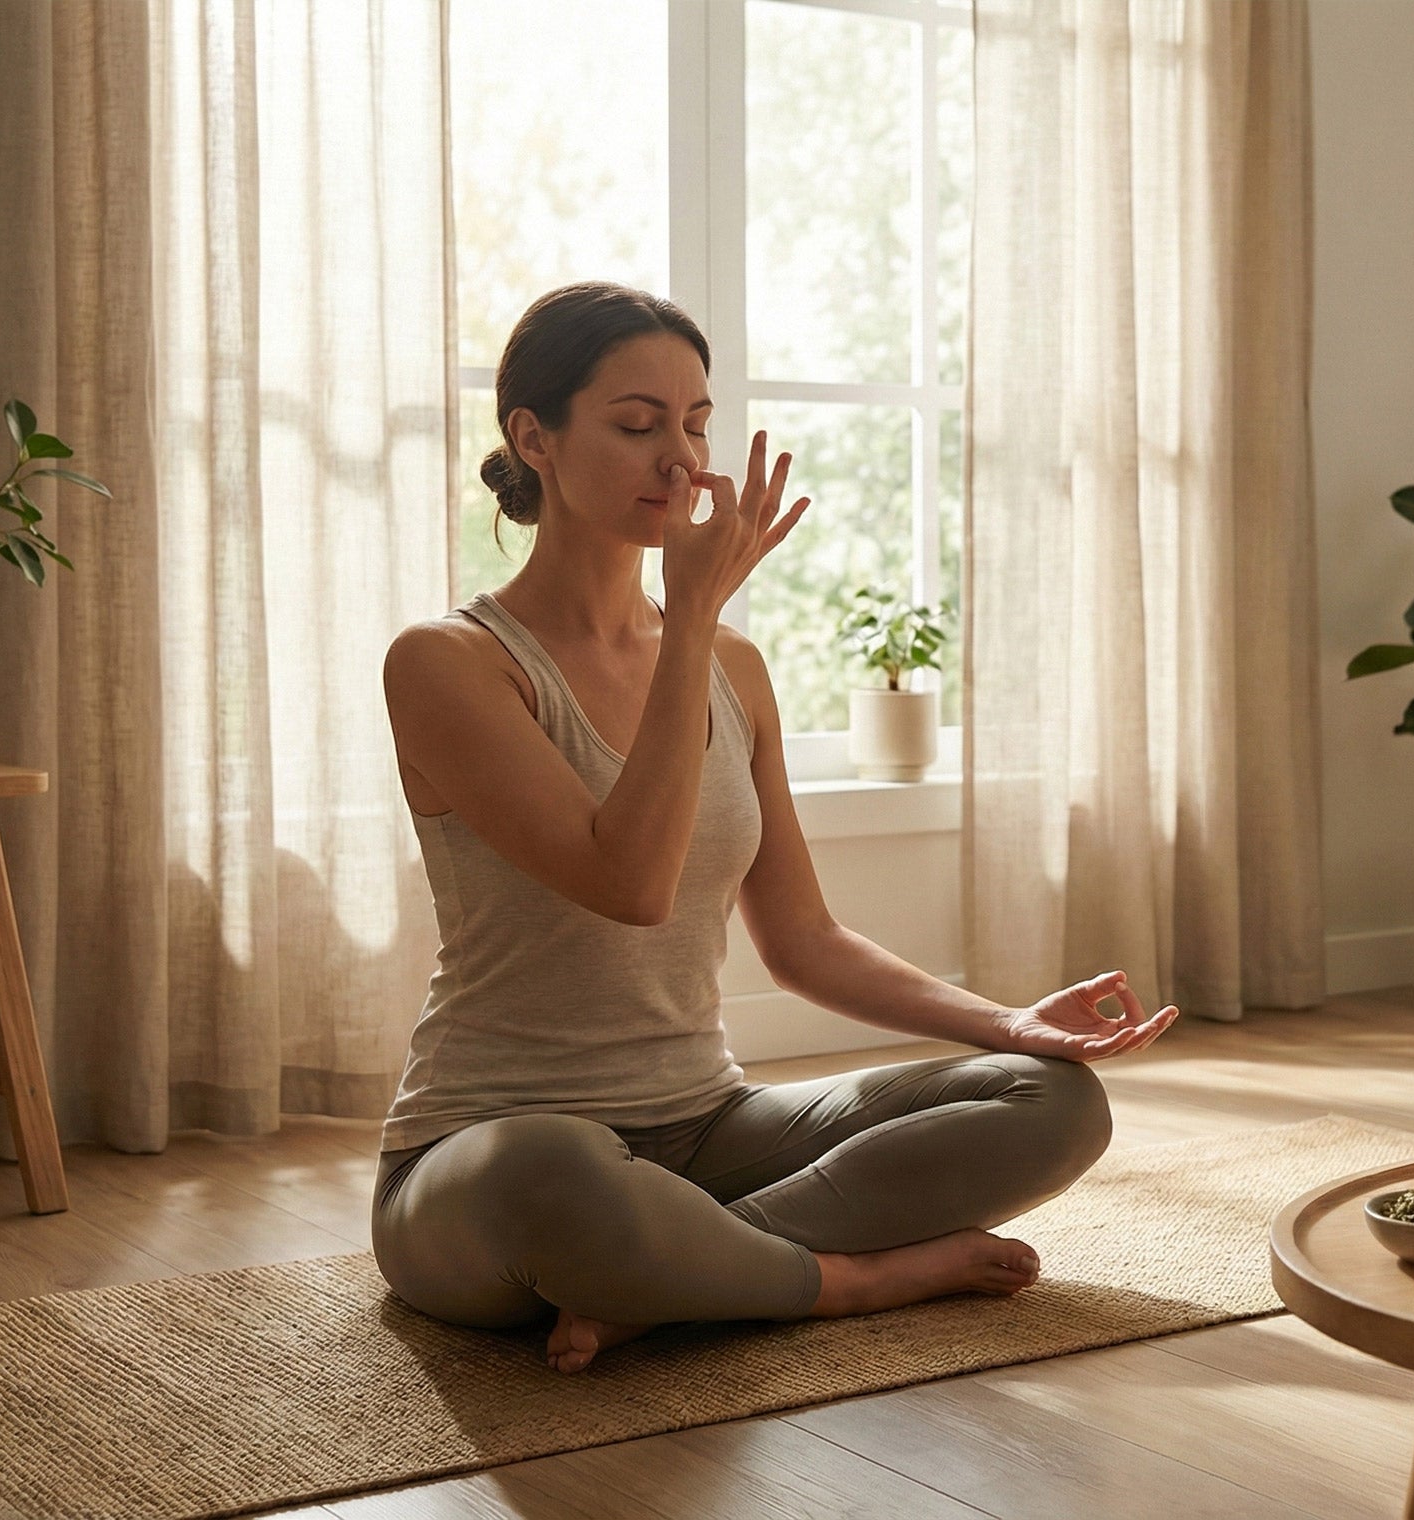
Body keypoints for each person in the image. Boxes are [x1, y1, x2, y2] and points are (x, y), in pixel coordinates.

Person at [373, 282, 1176, 1371]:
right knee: (552, 1169)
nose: (682, 461)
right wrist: (692, 617)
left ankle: (678, 1272)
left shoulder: (734, 669)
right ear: (535, 438)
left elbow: (803, 941)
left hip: (707, 1130)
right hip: (486, 1154)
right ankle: (846, 1279)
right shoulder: (447, 663)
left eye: (697, 424)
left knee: (1052, 1101)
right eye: (636, 423)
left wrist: (1011, 1022)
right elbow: (631, 882)